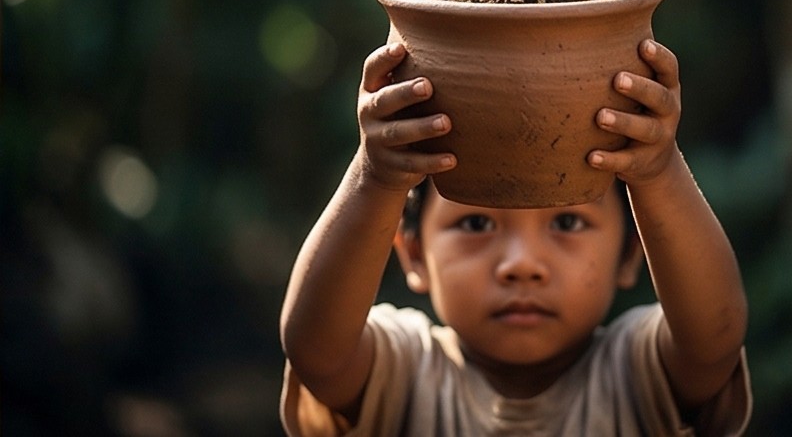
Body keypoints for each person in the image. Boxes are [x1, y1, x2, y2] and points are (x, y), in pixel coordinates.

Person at [279, 39, 751, 436]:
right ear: (415, 255)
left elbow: (715, 339)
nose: (522, 264)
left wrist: (658, 169)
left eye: (567, 224)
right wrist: (375, 176)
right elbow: (315, 351)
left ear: (630, 254)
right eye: (476, 225)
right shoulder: (401, 370)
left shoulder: (639, 372)